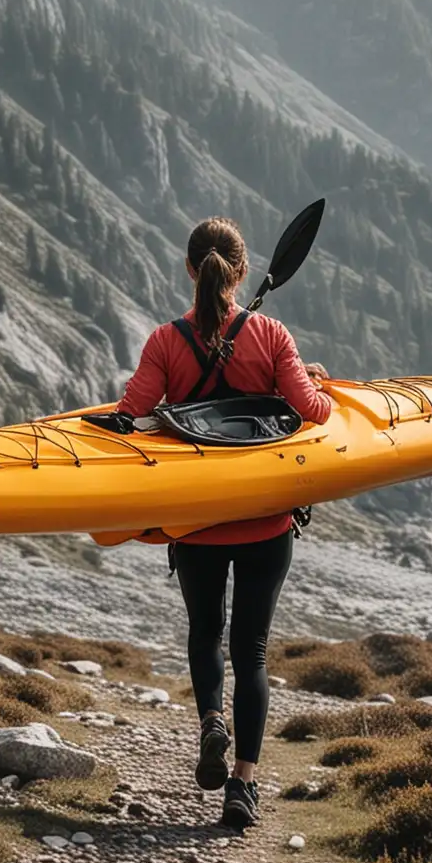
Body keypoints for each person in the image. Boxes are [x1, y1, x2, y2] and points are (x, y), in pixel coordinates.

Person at [117, 216, 334, 830]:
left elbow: (131, 413)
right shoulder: (269, 333)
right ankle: (243, 786)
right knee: (253, 651)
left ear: (191, 271)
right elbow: (310, 410)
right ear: (240, 273)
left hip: (196, 520)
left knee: (205, 633)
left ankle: (211, 719)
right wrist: (315, 380)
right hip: (264, 522)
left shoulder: (165, 342)